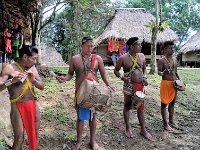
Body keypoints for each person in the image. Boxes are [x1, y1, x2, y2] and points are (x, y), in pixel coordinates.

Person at [57, 36, 114, 150]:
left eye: (92, 46)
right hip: (81, 93)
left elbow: (103, 74)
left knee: (93, 117)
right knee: (80, 118)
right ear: (81, 46)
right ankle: (78, 141)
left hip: (94, 93)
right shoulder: (75, 59)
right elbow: (70, 74)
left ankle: (93, 141)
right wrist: (64, 78)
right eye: (87, 46)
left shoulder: (98, 58)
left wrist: (109, 84)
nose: (90, 48)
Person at [0, 45, 44, 150]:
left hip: (33, 104)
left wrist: (34, 81)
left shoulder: (33, 69)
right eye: (33, 58)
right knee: (19, 138)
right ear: (25, 57)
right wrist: (11, 81)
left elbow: (42, 86)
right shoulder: (9, 68)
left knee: (35, 134)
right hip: (17, 105)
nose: (35, 61)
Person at [114, 37, 154, 141]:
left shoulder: (141, 56)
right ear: (132, 47)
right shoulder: (123, 58)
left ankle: (143, 129)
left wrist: (145, 77)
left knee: (140, 107)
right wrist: (122, 77)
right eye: (138, 45)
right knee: (127, 106)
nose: (141, 46)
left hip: (140, 85)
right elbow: (116, 71)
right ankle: (128, 128)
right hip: (129, 85)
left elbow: (144, 69)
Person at [157, 41, 180, 131]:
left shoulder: (174, 60)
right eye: (170, 48)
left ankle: (171, 121)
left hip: (174, 84)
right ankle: (165, 124)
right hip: (165, 84)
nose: (173, 49)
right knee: (164, 104)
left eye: (173, 48)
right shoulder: (161, 60)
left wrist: (179, 80)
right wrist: (163, 72)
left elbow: (176, 72)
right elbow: (158, 72)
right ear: (165, 49)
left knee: (172, 103)